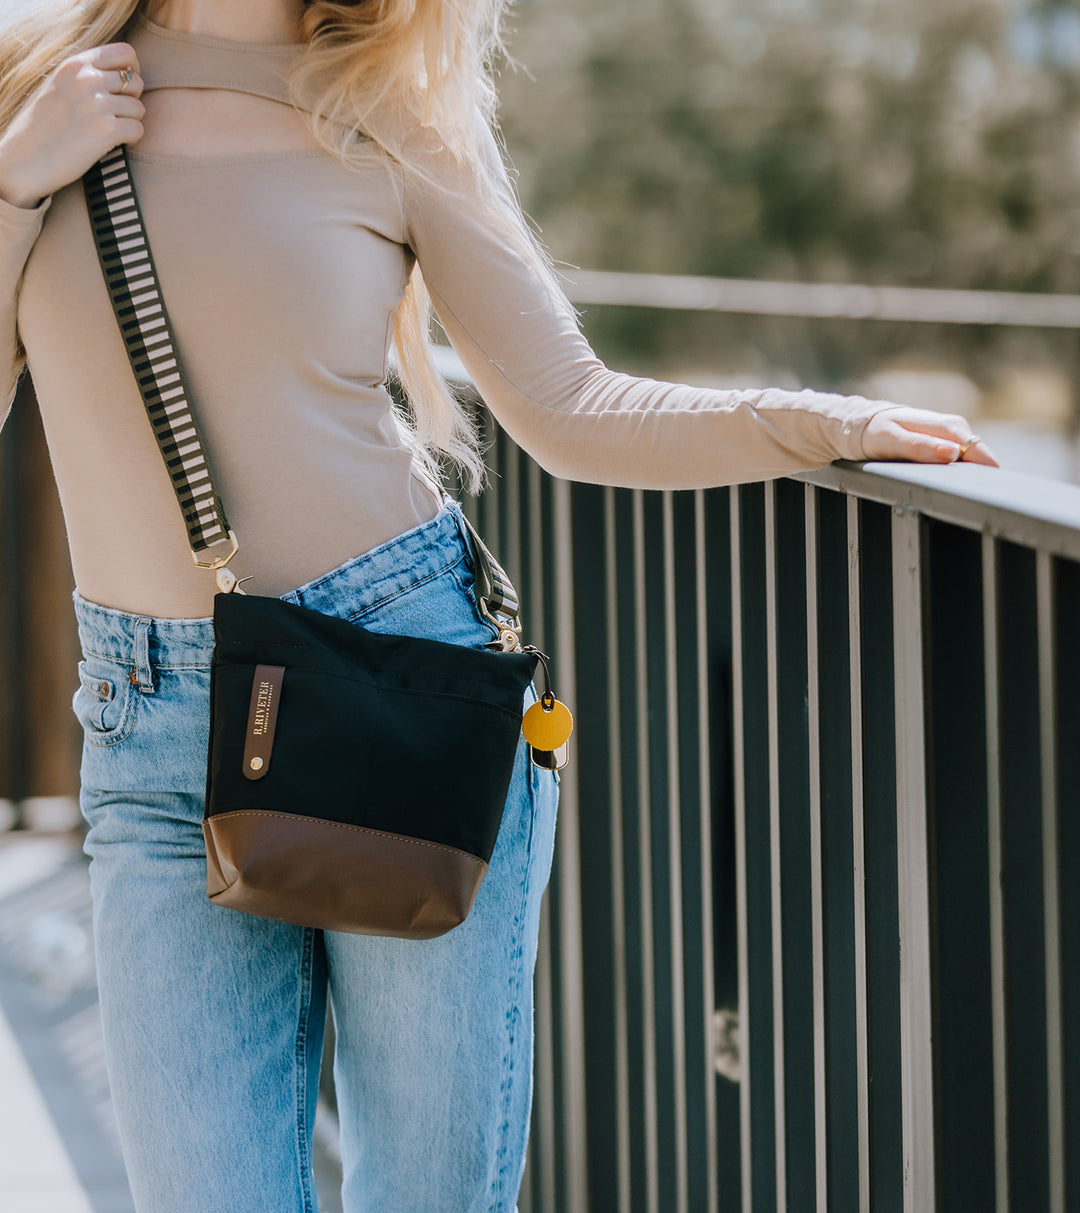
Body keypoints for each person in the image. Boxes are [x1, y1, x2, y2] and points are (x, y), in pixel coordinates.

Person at [0, 1, 999, 1209]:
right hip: (148, 730)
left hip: (400, 688)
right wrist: (13, 185)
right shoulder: (37, 88)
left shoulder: (387, 106)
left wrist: (821, 424)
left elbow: (571, 409)